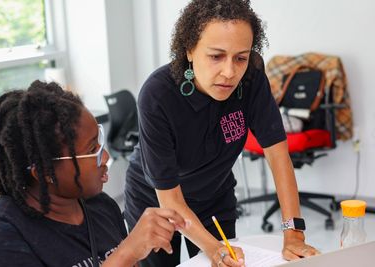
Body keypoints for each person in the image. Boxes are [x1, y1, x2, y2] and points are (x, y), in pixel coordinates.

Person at [124, 0, 320, 266]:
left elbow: (278, 156)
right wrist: (213, 249)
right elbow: (170, 198)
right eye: (216, 56)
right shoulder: (158, 95)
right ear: (189, 50)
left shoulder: (251, 80)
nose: (230, 72)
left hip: (214, 197)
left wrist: (293, 233)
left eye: (241, 57)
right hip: (157, 200)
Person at [0, 80, 189, 267]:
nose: (104, 157)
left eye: (99, 143)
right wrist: (127, 252)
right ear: (43, 172)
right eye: (91, 151)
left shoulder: (102, 207)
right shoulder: (2, 229)